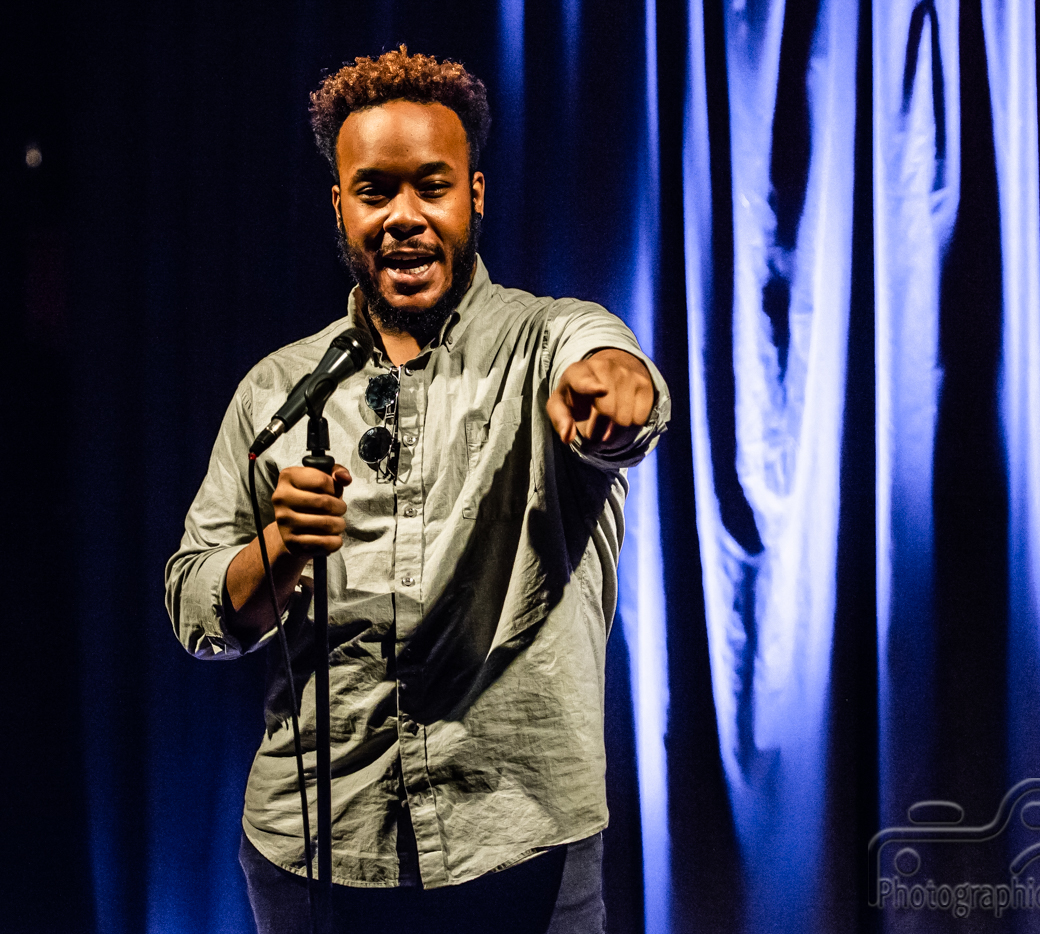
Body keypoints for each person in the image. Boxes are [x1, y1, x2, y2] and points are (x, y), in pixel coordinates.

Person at [165, 47, 670, 934]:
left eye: (432, 187)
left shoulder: (543, 341)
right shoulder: (276, 389)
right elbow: (196, 605)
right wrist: (278, 550)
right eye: (375, 192)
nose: (404, 216)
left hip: (519, 846)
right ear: (340, 206)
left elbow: (610, 367)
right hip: (317, 857)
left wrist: (618, 393)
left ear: (474, 194)